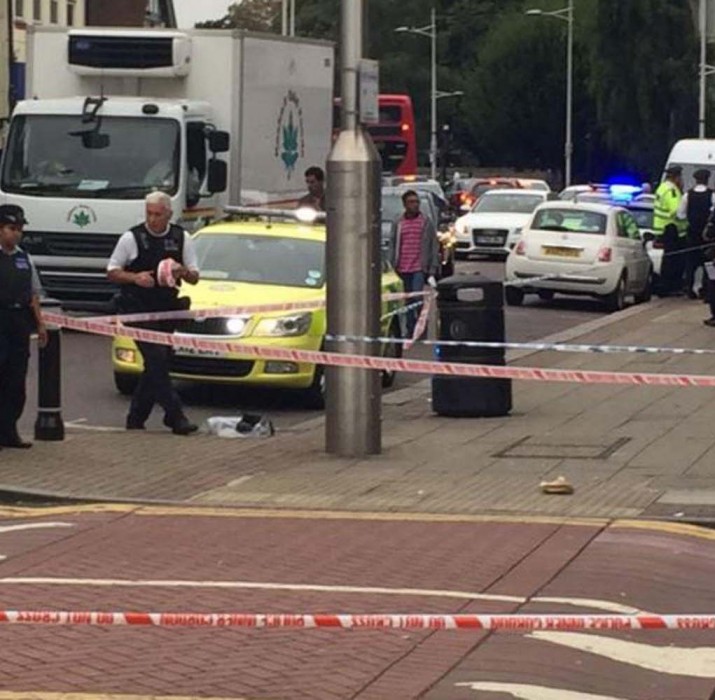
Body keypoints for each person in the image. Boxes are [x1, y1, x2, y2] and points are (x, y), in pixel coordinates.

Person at [107, 192, 200, 435]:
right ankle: (175, 416)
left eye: (158, 214)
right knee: (157, 359)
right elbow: (112, 271)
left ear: (168, 214)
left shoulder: (182, 237)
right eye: (149, 213)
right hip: (137, 309)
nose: (153, 219)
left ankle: (135, 418)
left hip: (167, 310)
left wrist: (182, 272)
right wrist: (135, 277)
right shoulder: (132, 237)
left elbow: (195, 277)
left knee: (155, 365)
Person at [0, 204, 48, 449]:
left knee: (16, 381)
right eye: (11, 228)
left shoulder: (24, 258)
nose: (16, 234)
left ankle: (9, 431)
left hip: (18, 322)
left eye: (19, 229)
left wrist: (40, 324)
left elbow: (34, 294)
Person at [388, 189, 440, 337]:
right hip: (402, 267)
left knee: (416, 297)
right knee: (407, 300)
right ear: (404, 205)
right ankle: (411, 328)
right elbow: (393, 244)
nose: (415, 205)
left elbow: (433, 245)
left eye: (417, 202)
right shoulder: (398, 221)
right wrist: (392, 265)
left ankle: (421, 325)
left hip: (418, 267)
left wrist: (432, 268)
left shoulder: (425, 222)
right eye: (411, 202)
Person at [677, 168, 715, 299]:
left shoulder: (687, 195)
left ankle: (689, 288)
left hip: (692, 234)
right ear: (707, 180)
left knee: (690, 263)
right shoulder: (712, 195)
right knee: (708, 263)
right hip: (707, 236)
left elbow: (680, 214)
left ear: (696, 180)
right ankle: (707, 290)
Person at [653, 165, 687, 296]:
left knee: (669, 259)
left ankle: (666, 286)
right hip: (671, 229)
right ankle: (669, 287)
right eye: (680, 177)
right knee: (673, 260)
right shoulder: (671, 190)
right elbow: (676, 211)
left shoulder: (662, 187)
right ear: (676, 177)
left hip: (664, 229)